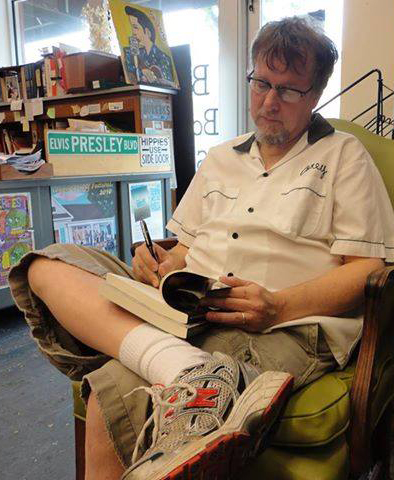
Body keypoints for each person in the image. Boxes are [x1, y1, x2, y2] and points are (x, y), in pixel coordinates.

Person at [8, 16, 394, 480]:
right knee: (44, 265)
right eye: (262, 83)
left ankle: (174, 365)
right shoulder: (220, 158)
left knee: (112, 387)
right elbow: (183, 251)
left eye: (289, 90)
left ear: (314, 95)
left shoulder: (344, 157)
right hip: (187, 313)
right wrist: (158, 264)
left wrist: (279, 306)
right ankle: (186, 366)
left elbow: (367, 269)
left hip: (278, 327)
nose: (270, 102)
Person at [124, 6, 174, 85]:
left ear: (147, 32)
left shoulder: (163, 58)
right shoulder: (131, 54)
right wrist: (141, 72)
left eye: (135, 27)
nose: (133, 32)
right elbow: (129, 71)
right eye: (132, 27)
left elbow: (169, 86)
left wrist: (153, 77)